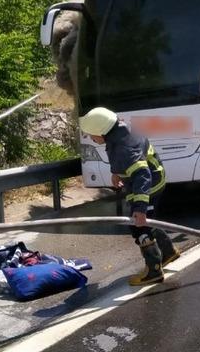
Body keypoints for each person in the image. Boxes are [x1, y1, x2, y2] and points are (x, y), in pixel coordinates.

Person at [79, 107, 179, 286]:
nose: (90, 138)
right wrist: (117, 173)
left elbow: (142, 174)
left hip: (149, 184)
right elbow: (125, 160)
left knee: (139, 226)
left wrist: (140, 209)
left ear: (102, 131)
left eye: (91, 134)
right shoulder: (119, 131)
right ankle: (168, 251)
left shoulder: (123, 146)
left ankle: (154, 270)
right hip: (147, 179)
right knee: (147, 221)